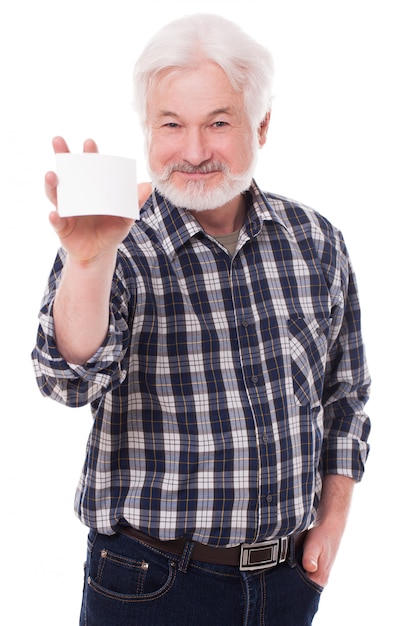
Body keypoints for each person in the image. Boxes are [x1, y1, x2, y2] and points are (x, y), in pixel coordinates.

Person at [32, 13, 371, 626]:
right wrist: (87, 264)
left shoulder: (317, 242)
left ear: (261, 125)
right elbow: (68, 379)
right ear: (146, 129)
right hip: (149, 584)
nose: (193, 151)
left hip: (285, 584)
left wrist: (333, 522)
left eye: (218, 123)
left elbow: (345, 396)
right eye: (171, 124)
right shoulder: (116, 242)